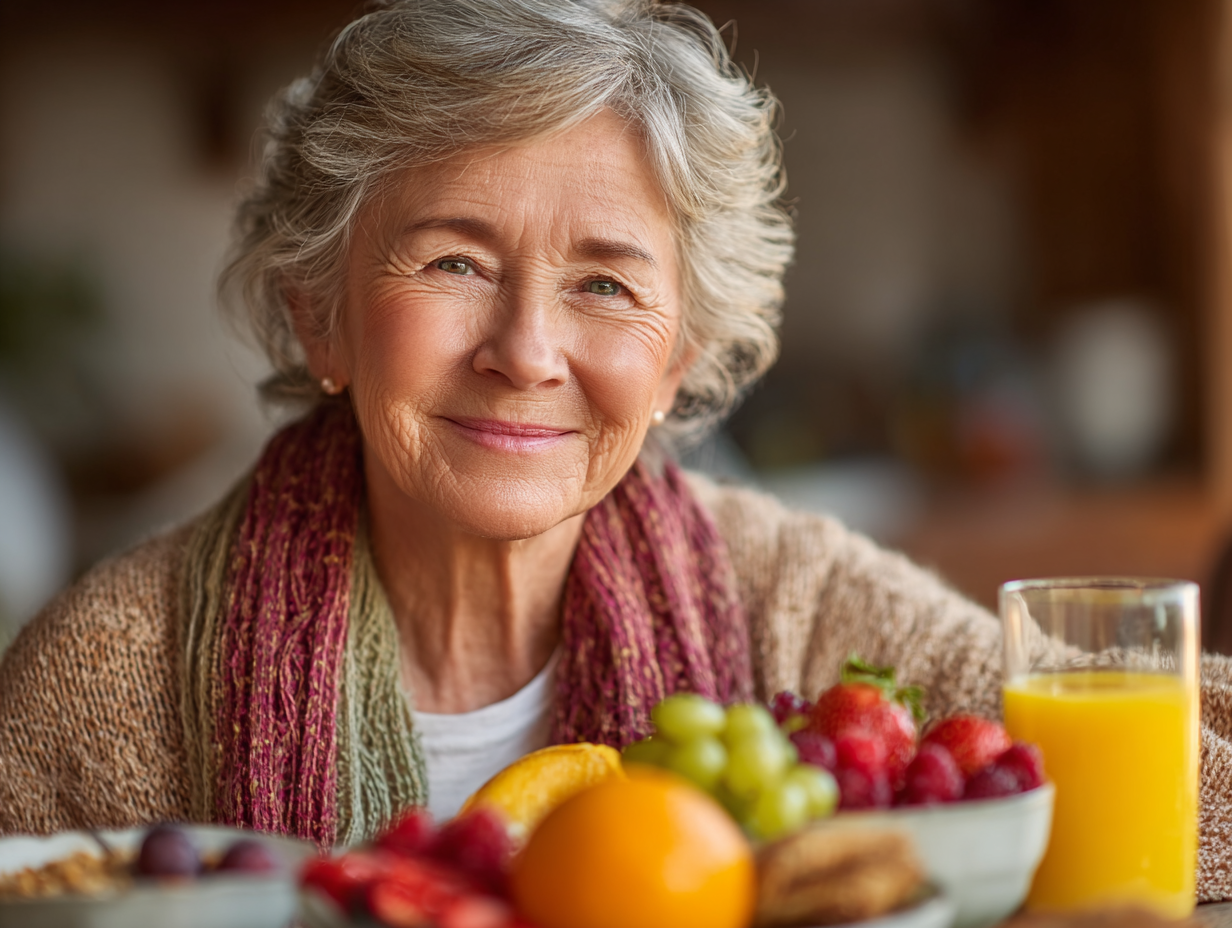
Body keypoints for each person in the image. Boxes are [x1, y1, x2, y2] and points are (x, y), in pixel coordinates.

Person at [2, 0, 1231, 901]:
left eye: (603, 282)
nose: (527, 350)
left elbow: (1185, 783)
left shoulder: (794, 599)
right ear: (315, 310)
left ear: (681, 354)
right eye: (452, 262)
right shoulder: (105, 681)